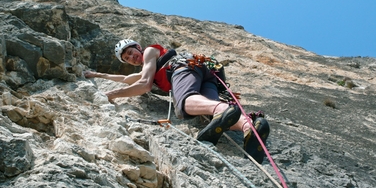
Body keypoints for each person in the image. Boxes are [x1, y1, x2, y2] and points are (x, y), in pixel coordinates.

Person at [84, 39, 270, 164]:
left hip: (182, 68)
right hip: (204, 74)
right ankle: (249, 128)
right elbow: (127, 79)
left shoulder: (150, 51)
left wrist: (111, 95)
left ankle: (223, 110)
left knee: (184, 104)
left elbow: (144, 84)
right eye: (127, 59)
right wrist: (98, 75)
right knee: (208, 112)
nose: (132, 58)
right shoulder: (147, 65)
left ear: (138, 48)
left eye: (131, 53)